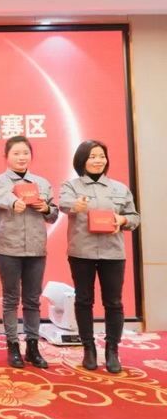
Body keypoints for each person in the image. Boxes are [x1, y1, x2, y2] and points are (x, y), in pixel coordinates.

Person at [59, 140, 140, 374]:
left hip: (112, 252)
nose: (98, 160)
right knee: (84, 300)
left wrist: (122, 220)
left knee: (113, 302)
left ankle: (113, 350)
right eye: (92, 156)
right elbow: (63, 204)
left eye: (101, 156)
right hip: (81, 252)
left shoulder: (120, 188)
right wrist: (76, 205)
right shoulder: (71, 186)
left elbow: (134, 217)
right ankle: (88, 349)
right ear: (82, 160)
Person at [0, 135, 58, 369]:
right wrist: (14, 201)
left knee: (32, 300)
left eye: (25, 153)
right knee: (10, 299)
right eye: (16, 153)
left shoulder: (42, 183)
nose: (21, 157)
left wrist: (46, 207)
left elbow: (53, 215)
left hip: (36, 249)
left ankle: (33, 347)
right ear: (6, 157)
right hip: (7, 248)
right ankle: (12, 346)